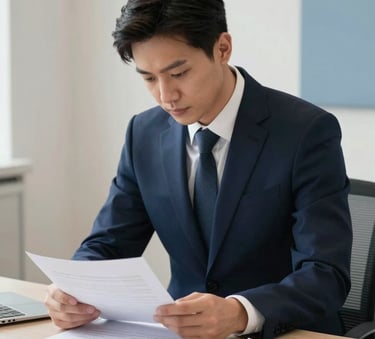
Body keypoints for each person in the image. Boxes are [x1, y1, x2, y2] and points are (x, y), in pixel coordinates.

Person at [44, 1, 353, 338]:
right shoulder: (143, 134)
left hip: (286, 332)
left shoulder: (305, 132)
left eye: (179, 73)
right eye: (149, 78)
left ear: (222, 48)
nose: (166, 95)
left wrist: (239, 312)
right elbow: (109, 243)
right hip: (179, 332)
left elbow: (326, 273)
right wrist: (73, 290)